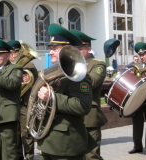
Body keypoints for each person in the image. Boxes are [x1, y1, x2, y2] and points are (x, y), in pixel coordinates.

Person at [36, 23, 93, 160]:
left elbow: (82, 105)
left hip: (66, 144)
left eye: (55, 48)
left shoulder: (79, 75)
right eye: (51, 48)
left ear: (67, 50)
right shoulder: (51, 73)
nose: (50, 52)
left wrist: (51, 97)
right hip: (48, 141)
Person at [70, 30, 108, 160]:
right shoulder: (70, 64)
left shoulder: (98, 64)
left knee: (91, 155)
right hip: (73, 112)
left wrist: (76, 71)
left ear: (89, 49)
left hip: (89, 116)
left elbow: (91, 83)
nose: (77, 53)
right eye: (75, 50)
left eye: (80, 49)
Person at [8, 40, 39, 160]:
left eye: (15, 52)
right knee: (15, 132)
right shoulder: (8, 66)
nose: (13, 55)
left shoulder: (29, 65)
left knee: (26, 132)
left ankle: (29, 155)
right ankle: (19, 155)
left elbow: (35, 82)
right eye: (11, 53)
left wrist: (27, 79)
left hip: (25, 103)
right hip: (12, 103)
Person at [128, 42, 146, 155]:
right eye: (140, 55)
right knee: (137, 122)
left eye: (144, 54)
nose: (141, 57)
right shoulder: (139, 66)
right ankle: (137, 146)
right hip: (139, 97)